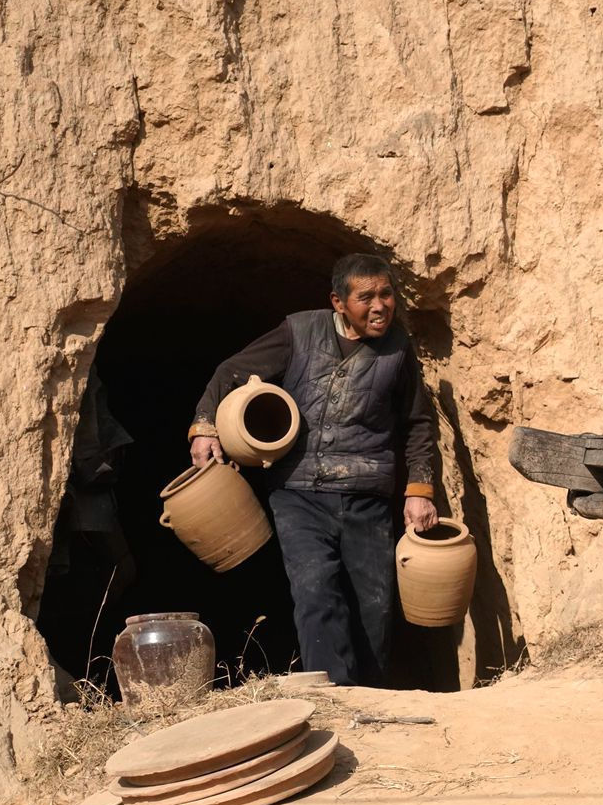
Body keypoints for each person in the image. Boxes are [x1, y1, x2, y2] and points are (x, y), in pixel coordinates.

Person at [188, 253, 440, 685]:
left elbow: (418, 422)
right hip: (298, 493)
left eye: (386, 294)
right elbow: (230, 372)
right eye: (366, 297)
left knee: (373, 605)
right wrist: (205, 427)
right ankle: (333, 697)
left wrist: (420, 488)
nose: (380, 305)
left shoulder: (398, 349)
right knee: (315, 592)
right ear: (338, 302)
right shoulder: (299, 331)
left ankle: (371, 697)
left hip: (368, 495)